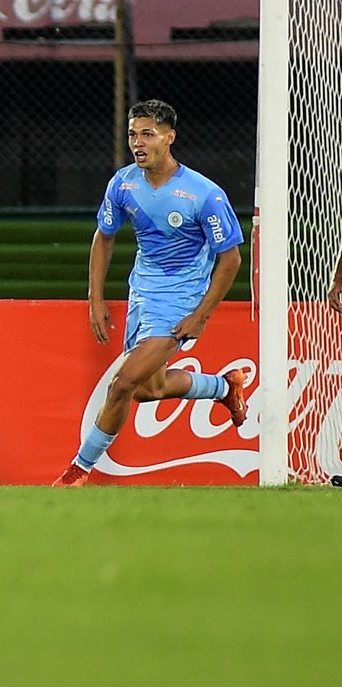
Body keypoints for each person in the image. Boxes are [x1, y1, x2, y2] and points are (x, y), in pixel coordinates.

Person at [52, 99, 248, 487]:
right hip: (143, 292)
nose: (138, 142)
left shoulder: (203, 194)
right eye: (132, 134)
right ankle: (225, 386)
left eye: (147, 134)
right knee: (148, 389)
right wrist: (95, 298)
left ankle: (77, 470)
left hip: (180, 302)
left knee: (122, 384)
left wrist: (201, 315)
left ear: (169, 138)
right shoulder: (123, 184)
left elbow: (231, 260)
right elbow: (103, 238)